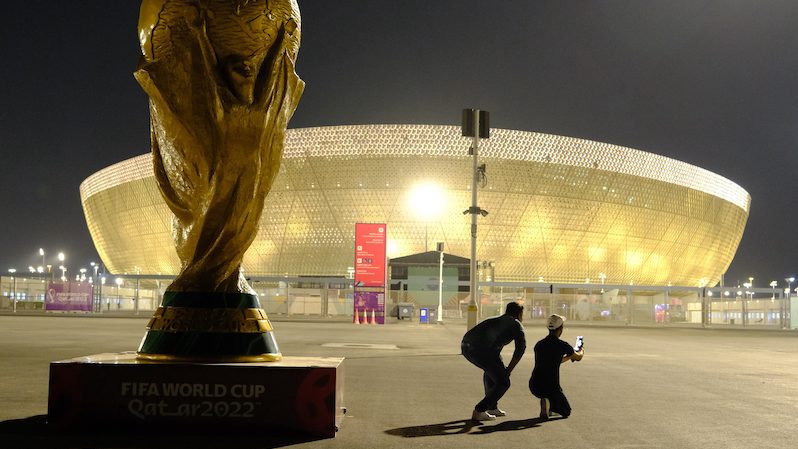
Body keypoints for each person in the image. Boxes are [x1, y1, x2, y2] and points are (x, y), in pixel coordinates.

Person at [461, 301, 526, 421]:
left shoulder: (496, 319)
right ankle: (479, 410)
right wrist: (509, 371)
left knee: (492, 369)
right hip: (480, 350)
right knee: (503, 382)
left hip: (466, 346)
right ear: (519, 314)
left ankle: (492, 406)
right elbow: (520, 350)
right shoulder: (516, 325)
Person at [529, 314, 584, 420]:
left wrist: (568, 357)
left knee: (550, 395)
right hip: (551, 387)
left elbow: (553, 361)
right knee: (566, 411)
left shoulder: (539, 345)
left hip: (534, 385)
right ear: (561, 328)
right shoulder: (562, 345)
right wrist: (581, 349)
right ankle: (550, 407)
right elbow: (578, 357)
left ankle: (547, 402)